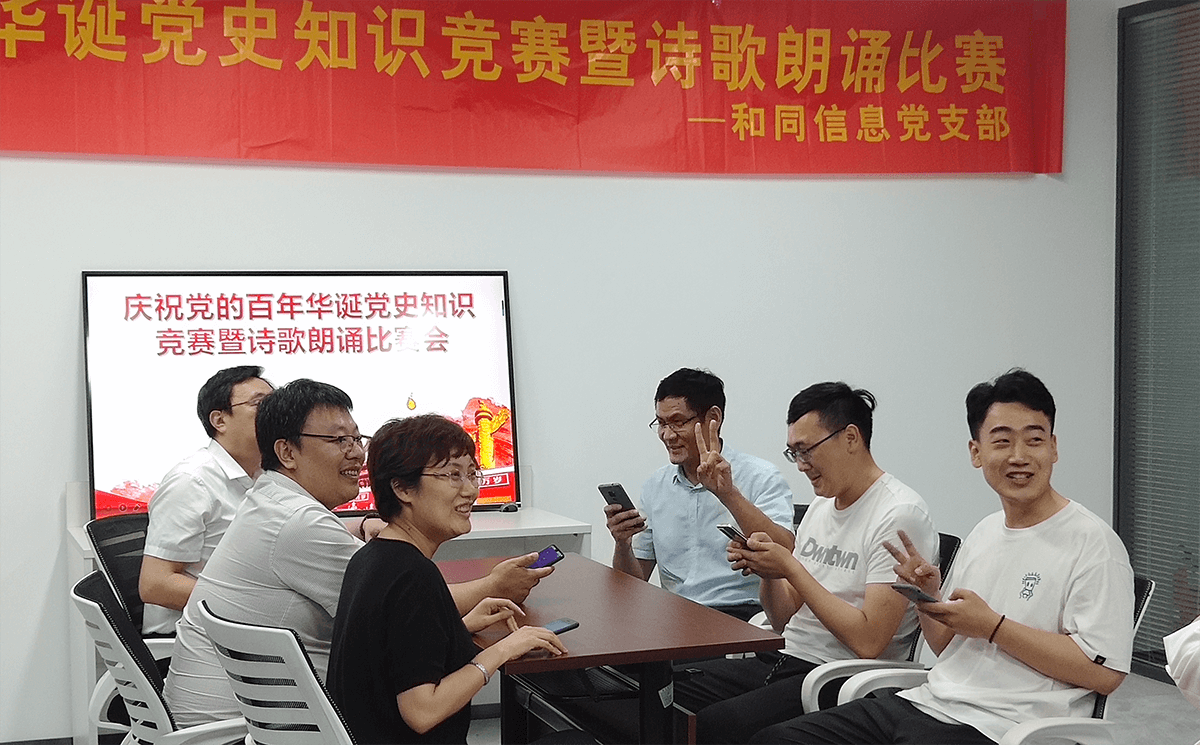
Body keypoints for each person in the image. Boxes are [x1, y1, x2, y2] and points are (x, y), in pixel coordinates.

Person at [752, 369, 1135, 744]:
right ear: (976, 452)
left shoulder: (1093, 543)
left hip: (1000, 726)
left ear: (1053, 448)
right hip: (929, 702)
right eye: (1002, 442)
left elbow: (1105, 674)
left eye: (1034, 440)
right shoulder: (985, 532)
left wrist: (994, 627)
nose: (1019, 456)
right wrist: (928, 599)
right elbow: (947, 647)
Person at [164, 379, 553, 726]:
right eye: (339, 441)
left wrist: (454, 629)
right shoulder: (301, 524)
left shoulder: (272, 501)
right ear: (287, 452)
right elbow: (402, 607)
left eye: (357, 439)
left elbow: (384, 621)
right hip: (245, 724)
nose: (356, 454)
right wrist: (493, 588)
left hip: (246, 710)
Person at [672, 382, 938, 743]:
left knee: (718, 723)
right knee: (664, 693)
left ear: (851, 438)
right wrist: (768, 572)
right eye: (793, 453)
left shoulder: (899, 514)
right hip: (787, 657)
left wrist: (790, 568)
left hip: (837, 675)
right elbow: (783, 618)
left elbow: (869, 641)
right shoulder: (822, 506)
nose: (800, 465)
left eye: (806, 450)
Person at [328, 414, 568, 743]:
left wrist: (456, 628)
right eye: (453, 475)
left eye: (472, 473)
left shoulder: (371, 558)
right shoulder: (413, 575)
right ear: (402, 488)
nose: (470, 490)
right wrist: (503, 649)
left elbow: (391, 652)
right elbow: (422, 712)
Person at [607, 368, 794, 620]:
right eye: (661, 423)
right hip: (674, 617)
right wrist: (622, 543)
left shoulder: (761, 476)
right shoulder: (655, 486)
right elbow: (631, 588)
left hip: (741, 614)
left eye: (677, 422)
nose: (667, 435)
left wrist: (728, 495)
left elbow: (785, 552)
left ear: (713, 418)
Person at [139, 366, 273, 634]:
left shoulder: (264, 475)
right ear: (219, 420)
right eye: (260, 404)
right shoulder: (191, 481)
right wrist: (253, 605)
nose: (275, 413)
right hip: (190, 636)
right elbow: (155, 584)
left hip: (239, 625)